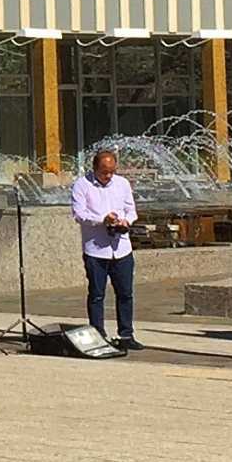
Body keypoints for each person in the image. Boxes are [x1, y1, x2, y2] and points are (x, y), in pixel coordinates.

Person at [72, 144, 139, 354]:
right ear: (94, 169)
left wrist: (126, 221)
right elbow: (79, 214)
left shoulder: (122, 184)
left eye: (111, 172)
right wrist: (102, 219)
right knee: (97, 294)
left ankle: (126, 334)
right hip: (95, 249)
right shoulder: (82, 185)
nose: (108, 176)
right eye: (104, 172)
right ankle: (97, 334)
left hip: (121, 248)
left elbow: (131, 209)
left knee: (125, 293)